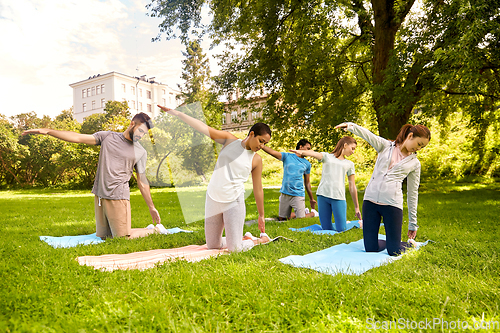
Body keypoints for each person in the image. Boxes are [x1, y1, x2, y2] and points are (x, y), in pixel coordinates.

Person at [22, 112, 162, 239]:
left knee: (122, 238)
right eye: (141, 130)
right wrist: (47, 131)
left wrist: (151, 206)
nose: (141, 135)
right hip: (100, 195)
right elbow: (78, 137)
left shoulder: (140, 151)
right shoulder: (108, 137)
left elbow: (142, 180)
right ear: (132, 124)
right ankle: (142, 229)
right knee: (105, 237)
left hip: (118, 196)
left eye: (144, 133)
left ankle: (155, 230)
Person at [157, 105, 271, 252]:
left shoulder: (256, 160)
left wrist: (261, 215)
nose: (262, 146)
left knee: (235, 249)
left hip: (234, 202)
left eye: (265, 144)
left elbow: (258, 189)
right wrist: (178, 113)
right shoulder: (230, 140)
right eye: (261, 141)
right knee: (212, 245)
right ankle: (240, 238)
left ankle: (256, 241)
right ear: (252, 134)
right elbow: (204, 128)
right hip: (213, 198)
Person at [335, 122, 430, 256]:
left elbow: (413, 193)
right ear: (410, 136)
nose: (419, 149)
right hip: (370, 201)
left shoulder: (415, 163)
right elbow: (369, 136)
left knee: (394, 251)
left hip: (392, 204)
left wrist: (413, 223)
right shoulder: (386, 146)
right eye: (419, 144)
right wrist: (351, 127)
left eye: (422, 147)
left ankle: (403, 244)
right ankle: (392, 242)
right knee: (371, 248)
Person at [290, 136, 361, 231]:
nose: (353, 151)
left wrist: (357, 207)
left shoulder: (349, 164)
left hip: (338, 198)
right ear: (345, 145)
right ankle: (343, 222)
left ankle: (358, 223)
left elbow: (352, 186)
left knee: (342, 229)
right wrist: (302, 152)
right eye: (352, 148)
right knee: (326, 228)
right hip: (323, 196)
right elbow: (314, 154)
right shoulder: (327, 157)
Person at [262, 139, 318, 220]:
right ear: (300, 147)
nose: (309, 151)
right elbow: (273, 152)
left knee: (301, 219)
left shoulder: (307, 164)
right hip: (285, 193)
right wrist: (261, 145)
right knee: (282, 219)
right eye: (308, 148)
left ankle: (312, 213)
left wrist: (311, 199)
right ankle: (302, 211)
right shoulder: (287, 156)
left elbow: (307, 183)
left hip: (298, 195)